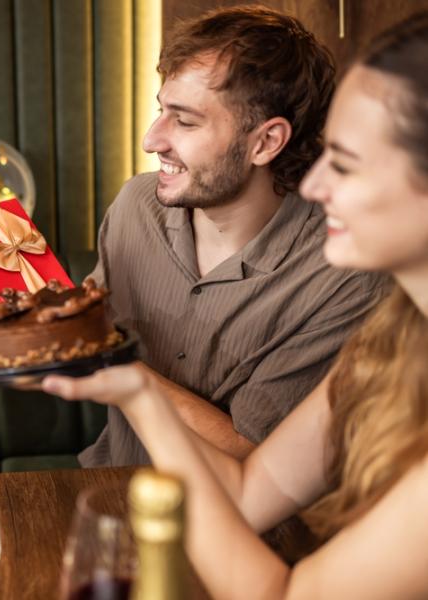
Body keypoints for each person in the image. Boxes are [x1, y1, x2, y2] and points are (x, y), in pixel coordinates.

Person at [45, 13, 428, 598]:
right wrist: (128, 381)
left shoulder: (352, 290)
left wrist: (129, 380)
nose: (316, 185)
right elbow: (248, 495)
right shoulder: (397, 340)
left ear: (267, 141)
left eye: (346, 163)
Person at [81, 6, 386, 468]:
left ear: (265, 142)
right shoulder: (133, 206)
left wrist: (118, 371)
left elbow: (257, 458)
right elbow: (87, 339)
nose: (150, 140)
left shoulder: (344, 276)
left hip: (247, 528)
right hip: (108, 489)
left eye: (185, 122)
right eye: (161, 111)